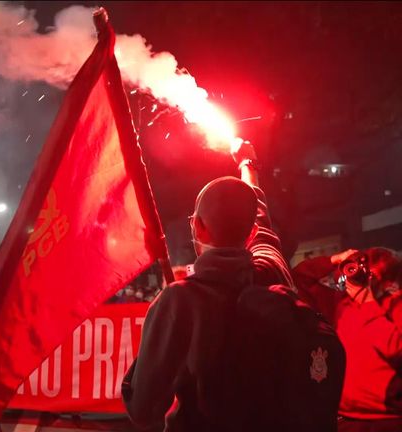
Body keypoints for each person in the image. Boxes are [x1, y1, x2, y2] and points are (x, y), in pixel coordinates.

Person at [122, 141, 335, 431]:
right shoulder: (272, 273)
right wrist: (249, 166)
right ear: (253, 233)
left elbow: (144, 408)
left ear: (197, 226)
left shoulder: (179, 300)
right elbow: (261, 223)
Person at [294, 248, 402, 431]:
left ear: (389, 281)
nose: (363, 273)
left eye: (372, 271)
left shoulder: (396, 305)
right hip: (345, 420)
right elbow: (299, 278)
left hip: (386, 419)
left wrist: (367, 303)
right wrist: (334, 259)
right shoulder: (340, 304)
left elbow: (396, 349)